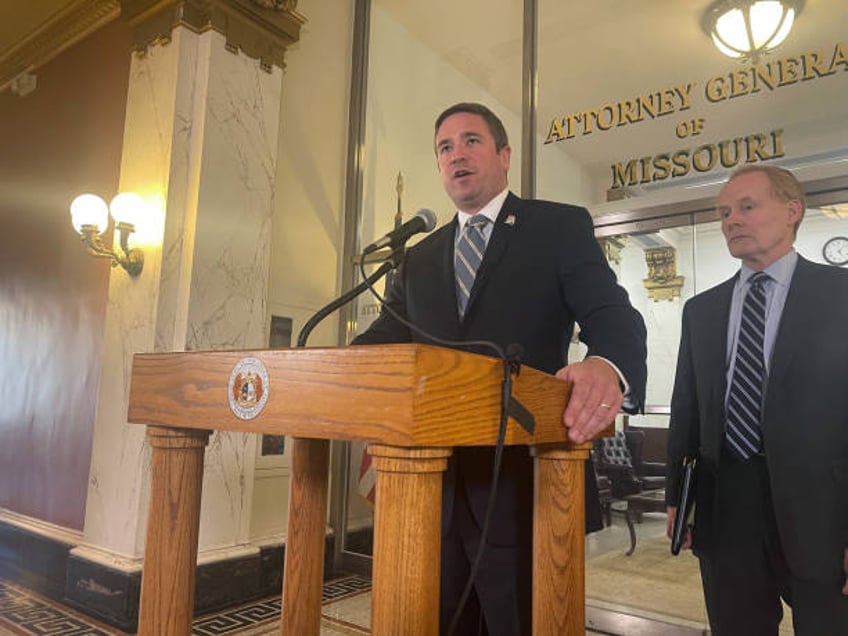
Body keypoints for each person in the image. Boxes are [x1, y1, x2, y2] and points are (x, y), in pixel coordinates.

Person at [353, 102, 647, 635]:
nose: (456, 155)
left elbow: (613, 315)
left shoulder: (557, 227)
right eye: (445, 147)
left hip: (524, 485)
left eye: (471, 141)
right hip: (429, 488)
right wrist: (328, 371)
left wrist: (606, 363)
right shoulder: (417, 259)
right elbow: (384, 340)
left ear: (504, 155)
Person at [665, 165, 848, 635]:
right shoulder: (701, 311)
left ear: (792, 211)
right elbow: (687, 408)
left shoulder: (840, 295)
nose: (731, 220)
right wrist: (677, 500)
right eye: (725, 212)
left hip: (823, 510)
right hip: (726, 508)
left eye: (747, 207)